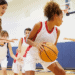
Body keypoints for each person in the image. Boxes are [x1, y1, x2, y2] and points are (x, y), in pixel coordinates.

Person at [24, 1, 67, 75]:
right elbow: (27, 40)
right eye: (62, 17)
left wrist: (54, 53)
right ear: (55, 16)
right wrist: (37, 45)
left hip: (45, 55)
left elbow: (53, 47)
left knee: (61, 73)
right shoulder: (39, 25)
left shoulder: (57, 31)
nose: (62, 20)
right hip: (32, 54)